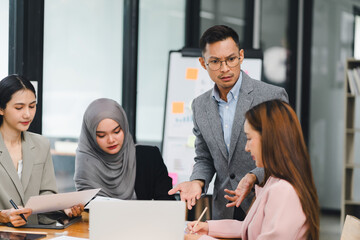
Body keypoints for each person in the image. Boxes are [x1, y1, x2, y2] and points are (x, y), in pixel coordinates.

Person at [168, 25, 288, 220]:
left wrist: (253, 176)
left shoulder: (271, 96)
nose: (225, 69)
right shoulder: (200, 106)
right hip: (224, 210)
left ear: (241, 56)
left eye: (231, 59)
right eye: (215, 61)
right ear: (202, 62)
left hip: (264, 204)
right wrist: (197, 181)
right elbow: (205, 157)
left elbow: (285, 153)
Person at [185, 100, 320, 240]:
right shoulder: (274, 181)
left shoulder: (283, 190)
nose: (246, 148)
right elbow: (250, 227)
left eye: (249, 138)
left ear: (269, 138)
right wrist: (208, 228)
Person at [0, 75, 83, 227]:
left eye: (32, 106)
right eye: (19, 108)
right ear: (1, 109)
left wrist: (62, 207)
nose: (27, 114)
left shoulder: (41, 144)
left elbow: (46, 195)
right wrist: (2, 216)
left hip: (35, 234)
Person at [74, 98, 175, 200]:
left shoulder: (149, 157)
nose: (111, 140)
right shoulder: (86, 163)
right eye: (101, 135)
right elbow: (87, 207)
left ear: (124, 127)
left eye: (116, 131)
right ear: (91, 137)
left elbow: (167, 202)